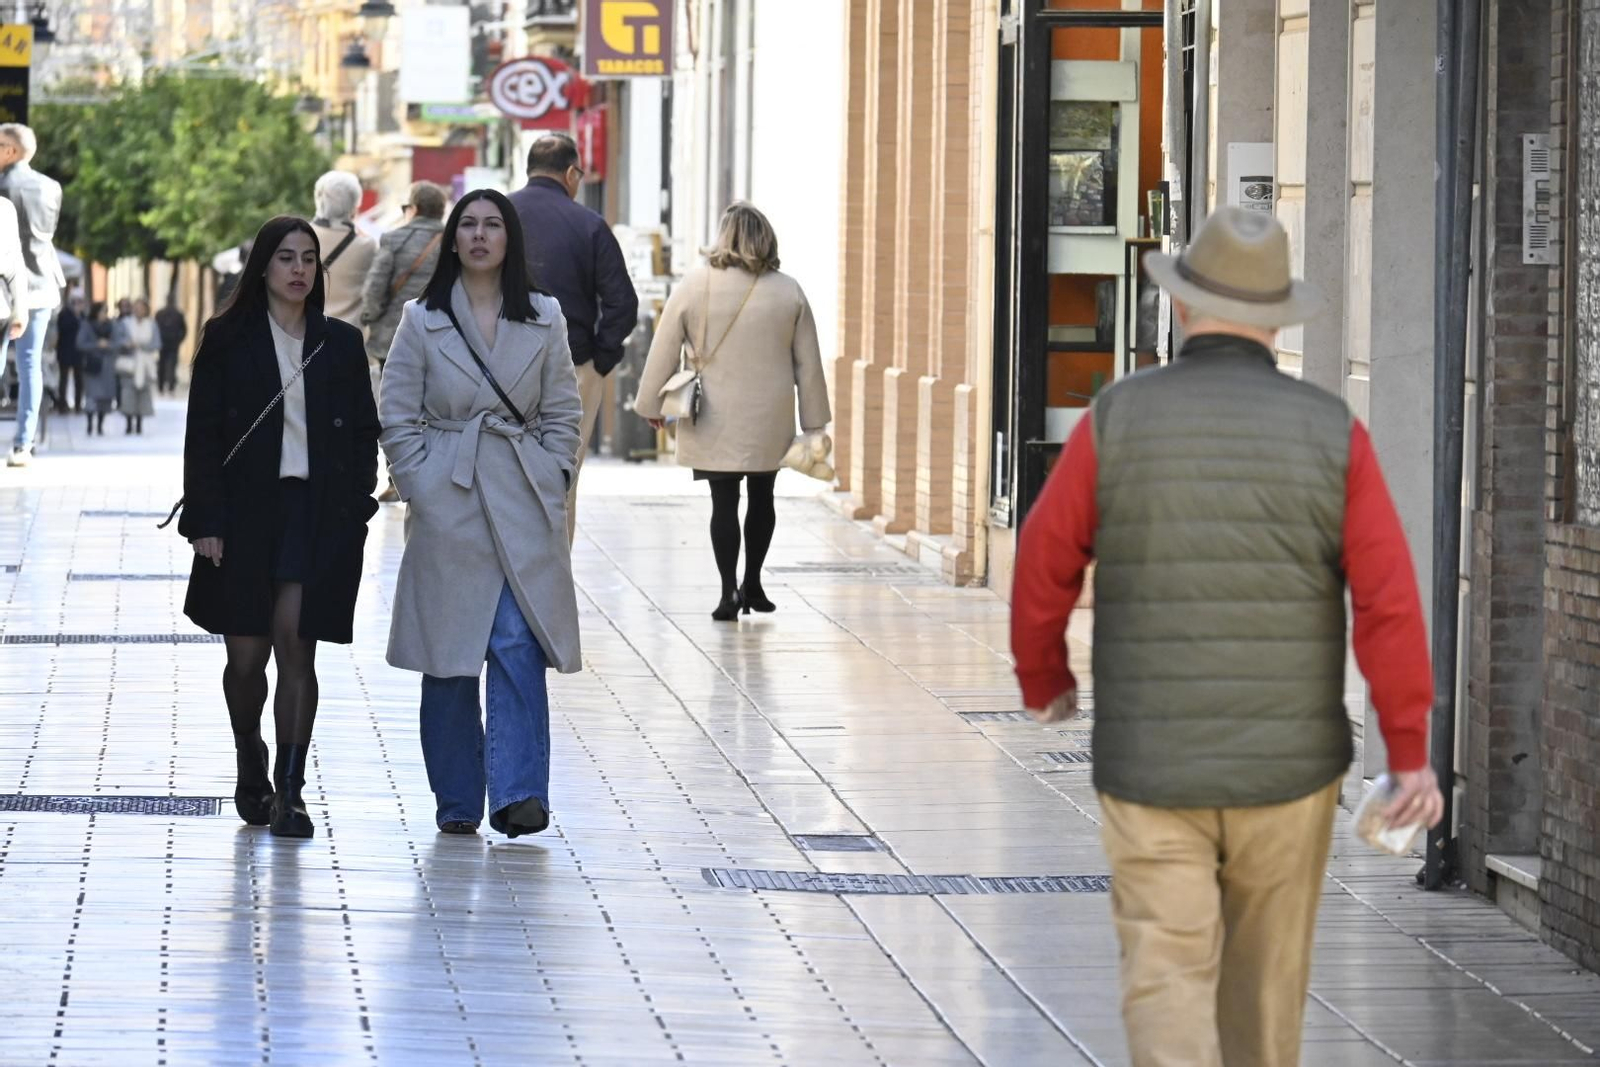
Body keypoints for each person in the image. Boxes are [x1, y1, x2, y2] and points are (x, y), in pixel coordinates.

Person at [1009, 206, 1445, 1067]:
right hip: (1288, 773)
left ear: (1180, 306)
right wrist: (1408, 749)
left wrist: (1044, 678)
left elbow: (1043, 558)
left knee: (1164, 975)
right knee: (1264, 994)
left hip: (1150, 763)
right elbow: (1389, 602)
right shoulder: (1333, 433)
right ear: (1277, 320)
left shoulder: (1117, 417)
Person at [379, 188, 583, 838]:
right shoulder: (422, 318)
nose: (478, 235)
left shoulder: (545, 316)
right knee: (449, 653)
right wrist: (421, 484)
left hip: (522, 492)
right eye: (467, 224)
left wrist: (553, 474)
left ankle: (520, 792)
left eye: (493, 225)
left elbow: (563, 410)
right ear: (452, 238)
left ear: (509, 239)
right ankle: (458, 798)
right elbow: (397, 411)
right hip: (451, 493)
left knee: (517, 641)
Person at [178, 215, 380, 839]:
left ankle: (290, 792)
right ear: (263, 266)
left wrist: (356, 504)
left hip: (312, 514)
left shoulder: (340, 343)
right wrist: (206, 519)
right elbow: (203, 435)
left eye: (309, 259)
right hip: (243, 514)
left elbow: (364, 430)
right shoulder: (227, 339)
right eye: (287, 257)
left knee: (296, 645)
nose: (299, 269)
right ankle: (251, 755)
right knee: (246, 659)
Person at [633, 203, 830, 621]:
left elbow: (664, 347)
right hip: (769, 415)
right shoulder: (789, 291)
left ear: (724, 236)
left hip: (713, 412)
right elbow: (808, 363)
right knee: (763, 496)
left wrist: (651, 404)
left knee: (722, 502)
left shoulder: (694, 284)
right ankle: (753, 582)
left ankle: (728, 593)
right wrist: (814, 425)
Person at [506, 133, 639, 541]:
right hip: (573, 367)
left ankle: (505, 565)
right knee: (563, 475)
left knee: (502, 473)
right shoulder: (590, 224)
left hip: (499, 364)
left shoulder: (498, 216)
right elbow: (622, 303)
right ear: (570, 174)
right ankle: (553, 568)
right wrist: (601, 359)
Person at [361, 181, 447, 503]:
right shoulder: (453, 241)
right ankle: (432, 471)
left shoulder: (395, 238)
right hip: (442, 337)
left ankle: (397, 478)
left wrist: (370, 317)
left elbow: (375, 286)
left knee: (395, 408)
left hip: (393, 338)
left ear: (414, 208)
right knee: (437, 407)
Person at [0, 124, 65, 468]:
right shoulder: (52, 187)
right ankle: (23, 444)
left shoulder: (2, 188)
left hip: (5, 285)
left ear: (10, 150)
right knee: (30, 364)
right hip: (41, 285)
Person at [309, 171, 376, 329]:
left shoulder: (301, 238)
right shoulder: (367, 245)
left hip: (308, 329)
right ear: (354, 204)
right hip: (350, 333)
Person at [113, 297, 159, 434]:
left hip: (145, 365)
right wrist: (126, 344)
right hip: (129, 364)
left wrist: (143, 346)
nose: (138, 310)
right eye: (136, 308)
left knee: (143, 394)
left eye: (141, 308)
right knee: (128, 394)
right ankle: (128, 422)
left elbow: (156, 343)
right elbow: (117, 340)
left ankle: (139, 423)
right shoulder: (125, 323)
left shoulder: (151, 325)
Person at [78, 302, 116, 436]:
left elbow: (117, 343)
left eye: (106, 312)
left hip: (107, 367)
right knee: (91, 397)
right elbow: (80, 343)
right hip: (92, 365)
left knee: (104, 399)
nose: (104, 315)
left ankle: (100, 425)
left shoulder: (111, 326)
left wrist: (108, 345)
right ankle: (89, 423)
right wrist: (96, 345)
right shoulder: (87, 325)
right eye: (102, 312)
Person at [54, 292, 81, 413]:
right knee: (63, 379)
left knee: (79, 380)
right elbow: (63, 328)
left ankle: (78, 405)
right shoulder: (64, 314)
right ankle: (62, 405)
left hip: (78, 352)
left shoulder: (82, 315)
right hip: (65, 351)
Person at [155, 298, 187, 396]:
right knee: (166, 365)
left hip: (170, 344)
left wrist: (178, 340)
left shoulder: (176, 314)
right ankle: (166, 386)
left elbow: (183, 329)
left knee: (168, 365)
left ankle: (166, 386)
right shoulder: (162, 314)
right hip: (167, 343)